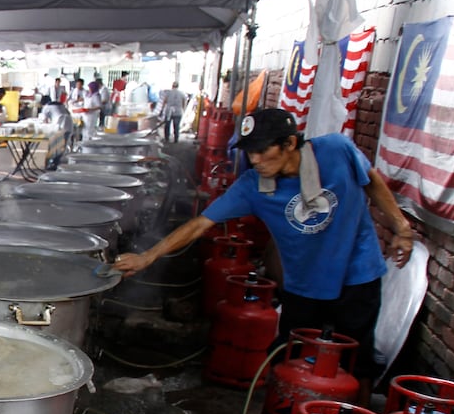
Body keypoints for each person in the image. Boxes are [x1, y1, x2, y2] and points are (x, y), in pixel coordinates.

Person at [113, 107, 414, 388]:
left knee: (356, 358)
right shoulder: (252, 186)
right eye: (249, 152)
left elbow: (371, 179)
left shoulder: (337, 150)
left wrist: (402, 228)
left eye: (262, 150)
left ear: (290, 143)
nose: (255, 160)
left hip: (357, 272)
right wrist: (147, 256)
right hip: (305, 283)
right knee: (288, 357)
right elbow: (200, 224)